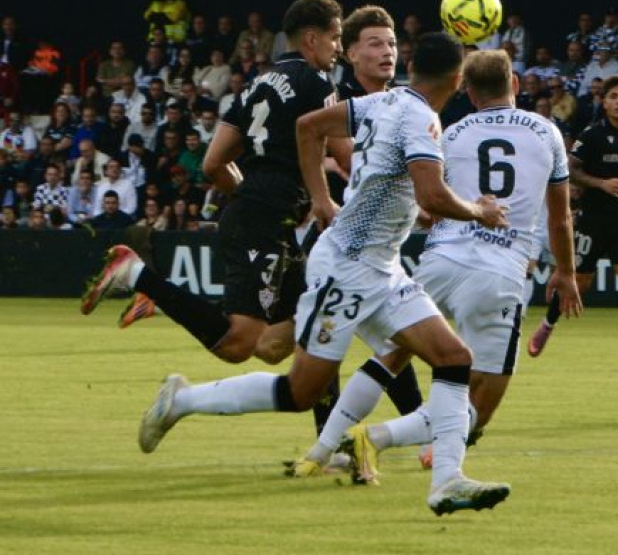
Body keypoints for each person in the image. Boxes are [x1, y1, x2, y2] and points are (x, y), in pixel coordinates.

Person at [131, 31, 513, 515]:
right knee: (300, 391)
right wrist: (481, 212)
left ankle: (447, 482)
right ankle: (182, 400)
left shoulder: (386, 100)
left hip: (382, 267)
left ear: (412, 68)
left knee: (454, 357)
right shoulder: (422, 119)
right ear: (458, 80)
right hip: (348, 270)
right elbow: (434, 196)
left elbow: (310, 126)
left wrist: (324, 195)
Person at [81, 0, 415, 447]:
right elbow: (347, 157)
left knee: (295, 336)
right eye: (336, 38)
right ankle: (138, 275)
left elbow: (215, 164)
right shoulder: (317, 83)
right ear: (313, 39)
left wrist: (253, 197)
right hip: (265, 220)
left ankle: (331, 448)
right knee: (239, 343)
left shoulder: (258, 83)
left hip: (259, 214)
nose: (338, 48)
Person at [291, 48, 581, 482]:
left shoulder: (450, 129)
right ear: (515, 85)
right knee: (480, 399)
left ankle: (322, 447)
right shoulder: (547, 133)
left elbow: (428, 196)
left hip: (440, 259)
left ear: (467, 89)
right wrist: (566, 271)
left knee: (391, 356)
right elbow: (559, 216)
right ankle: (380, 439)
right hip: (498, 269)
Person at [526, 75, 618, 369]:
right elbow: (571, 170)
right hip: (594, 220)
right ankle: (547, 325)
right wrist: (601, 184)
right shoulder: (593, 135)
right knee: (579, 283)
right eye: (614, 96)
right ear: (604, 101)